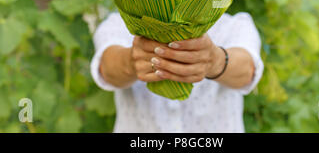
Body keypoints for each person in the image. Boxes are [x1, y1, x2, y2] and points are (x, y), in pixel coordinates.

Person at [91, 12, 263, 132]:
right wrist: (131, 61)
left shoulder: (235, 25)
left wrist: (215, 61)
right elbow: (107, 68)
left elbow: (247, 70)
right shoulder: (119, 23)